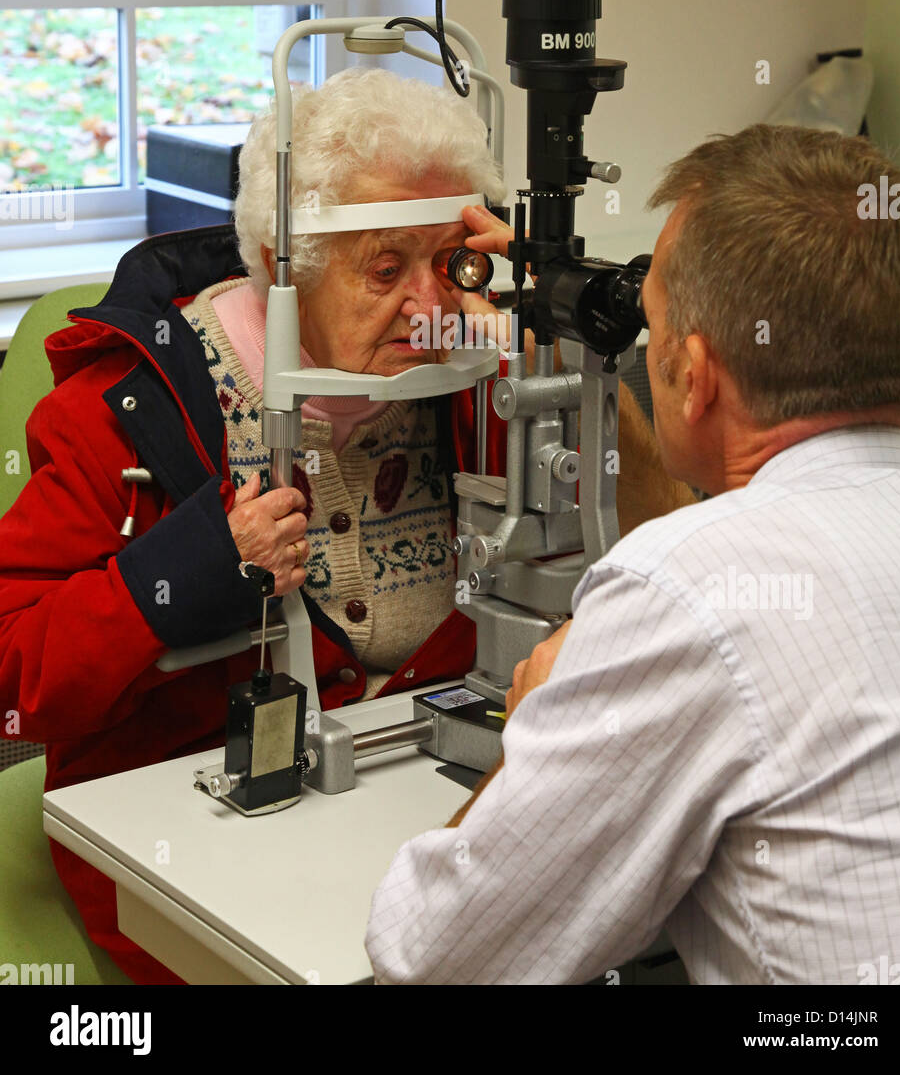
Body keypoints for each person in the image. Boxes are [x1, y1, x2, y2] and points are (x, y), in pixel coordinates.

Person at [0, 66, 682, 985]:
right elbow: (12, 680)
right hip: (206, 829)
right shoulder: (120, 412)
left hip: (423, 797)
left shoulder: (471, 371)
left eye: (450, 264)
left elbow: (666, 540)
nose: (431, 311)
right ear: (284, 266)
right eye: (385, 269)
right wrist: (191, 568)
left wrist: (556, 348)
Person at [365, 123, 900, 985]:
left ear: (694, 374)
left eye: (649, 319)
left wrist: (540, 734)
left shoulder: (684, 591)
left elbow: (437, 954)